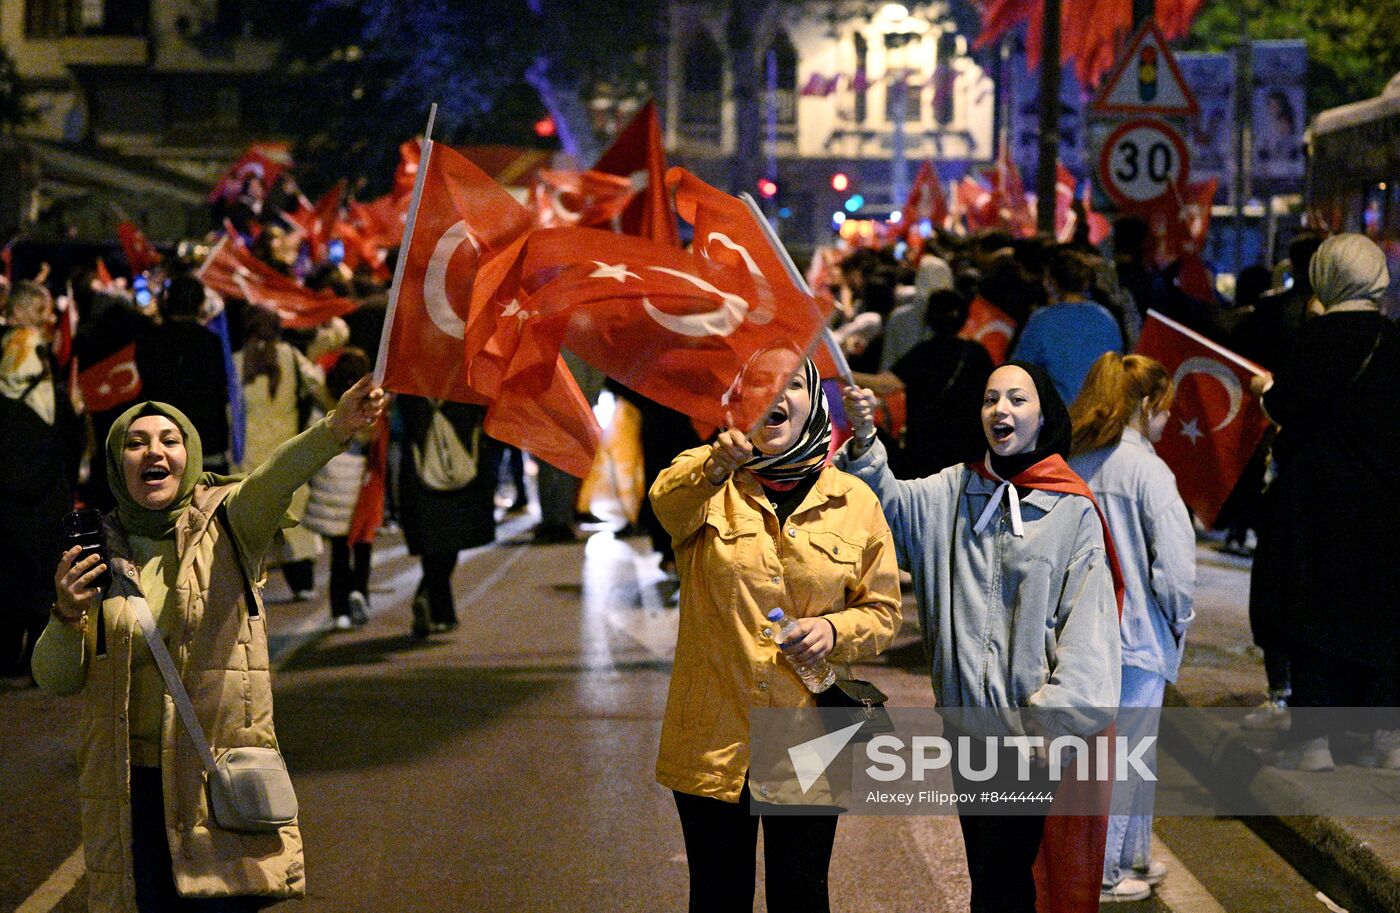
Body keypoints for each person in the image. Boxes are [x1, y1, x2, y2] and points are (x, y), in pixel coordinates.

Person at [32, 375, 387, 912]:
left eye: (170, 440)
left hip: (213, 781)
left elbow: (277, 476)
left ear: (191, 455)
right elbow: (57, 679)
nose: (155, 451)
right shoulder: (98, 548)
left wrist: (336, 427)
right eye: (136, 442)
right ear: (117, 463)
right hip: (131, 791)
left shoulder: (231, 521)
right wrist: (66, 613)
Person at [841, 362, 1122, 913]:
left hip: (1030, 733)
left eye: (1017, 399)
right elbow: (885, 507)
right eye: (992, 399)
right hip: (966, 729)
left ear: (1043, 416)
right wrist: (866, 438)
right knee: (991, 871)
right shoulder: (954, 490)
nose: (1001, 410)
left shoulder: (1071, 510)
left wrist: (1050, 722)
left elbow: (1090, 631)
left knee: (1004, 875)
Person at [651, 355, 901, 913]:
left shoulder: (854, 501)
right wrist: (717, 464)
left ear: (813, 402)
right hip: (715, 733)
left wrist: (833, 629)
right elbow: (666, 506)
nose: (776, 396)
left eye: (792, 385)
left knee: (800, 894)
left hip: (810, 734)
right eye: (760, 386)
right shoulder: (705, 477)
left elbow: (883, 612)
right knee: (717, 896)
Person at [1252, 233, 1400, 771]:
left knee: (1312, 613)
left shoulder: (1317, 339)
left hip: (1316, 501)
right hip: (1386, 502)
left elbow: (1287, 405)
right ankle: (1385, 736)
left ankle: (1315, 742)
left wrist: (1265, 390)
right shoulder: (1392, 340)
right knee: (1382, 614)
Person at [1068, 353, 1196, 902]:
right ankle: (1106, 872)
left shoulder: (1077, 461)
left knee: (1101, 755)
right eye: (1164, 410)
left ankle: (1129, 856)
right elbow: (1176, 571)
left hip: (1081, 634)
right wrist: (1180, 621)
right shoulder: (1149, 472)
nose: (1167, 421)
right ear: (1146, 406)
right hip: (1139, 636)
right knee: (1127, 757)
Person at [0, 280, 82, 683]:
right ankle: (35, 660)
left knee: (8, 576)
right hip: (45, 490)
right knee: (41, 577)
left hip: (7, 493)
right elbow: (65, 428)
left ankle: (8, 659)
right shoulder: (39, 358)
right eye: (41, 310)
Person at [233, 304, 332, 601]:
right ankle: (302, 583)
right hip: (287, 451)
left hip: (247, 456)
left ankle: (248, 588)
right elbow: (317, 386)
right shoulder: (291, 357)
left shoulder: (236, 362)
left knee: (250, 524)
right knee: (294, 521)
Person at [853, 289, 994, 479]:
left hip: (927, 447)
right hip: (969, 448)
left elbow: (885, 385)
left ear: (929, 317)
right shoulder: (978, 353)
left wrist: (843, 374)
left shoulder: (926, 352)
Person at [397, 395, 502, 637]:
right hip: (462, 462)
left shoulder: (409, 377)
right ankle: (439, 608)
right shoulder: (461, 376)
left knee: (431, 540)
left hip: (420, 464)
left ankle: (431, 599)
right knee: (451, 540)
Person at [302, 348, 386, 629]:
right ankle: (359, 591)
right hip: (361, 483)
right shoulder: (372, 406)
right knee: (362, 542)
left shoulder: (325, 404)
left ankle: (340, 610)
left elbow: (313, 440)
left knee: (339, 550)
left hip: (331, 480)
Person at [134, 273, 231, 472]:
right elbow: (220, 388)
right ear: (200, 304)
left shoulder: (150, 340)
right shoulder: (210, 342)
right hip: (206, 441)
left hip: (161, 437)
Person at [1011, 248, 1124, 405]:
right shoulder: (1106, 319)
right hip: (1100, 417)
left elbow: (1017, 372)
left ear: (1050, 283)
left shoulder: (1043, 320)